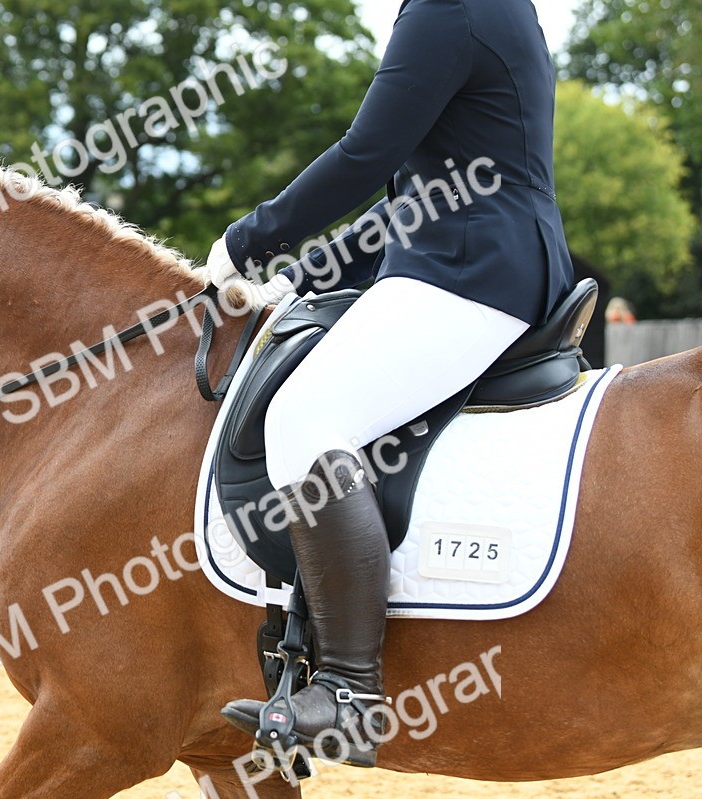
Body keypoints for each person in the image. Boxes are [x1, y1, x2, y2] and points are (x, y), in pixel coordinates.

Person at [207, 0, 574, 766]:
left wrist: (248, 241)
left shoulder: (448, 8)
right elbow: (410, 193)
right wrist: (302, 274)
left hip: (473, 269)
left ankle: (348, 690)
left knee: (303, 422)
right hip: (479, 255)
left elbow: (367, 153)